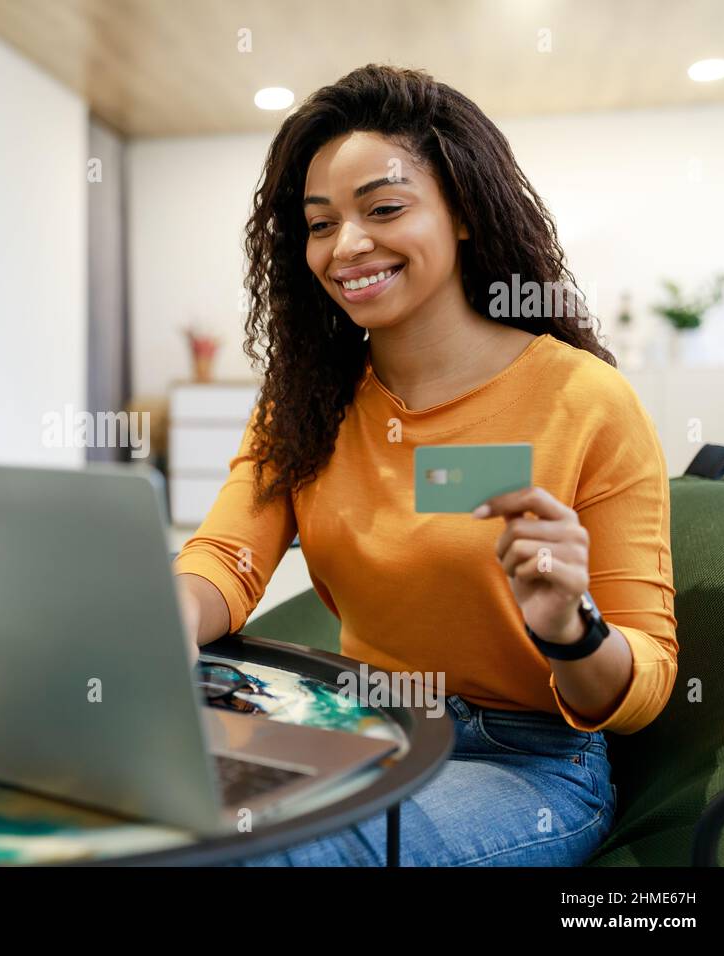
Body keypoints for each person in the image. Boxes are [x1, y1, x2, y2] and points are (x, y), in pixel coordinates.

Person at [172, 64, 678, 866]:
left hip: (524, 763)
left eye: (384, 209)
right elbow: (226, 557)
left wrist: (570, 629)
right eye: (320, 223)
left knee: (269, 854)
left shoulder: (584, 400)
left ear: (465, 211)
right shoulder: (308, 399)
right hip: (360, 729)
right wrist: (163, 618)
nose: (348, 246)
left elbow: (645, 686)